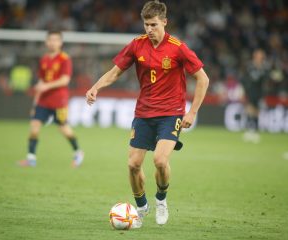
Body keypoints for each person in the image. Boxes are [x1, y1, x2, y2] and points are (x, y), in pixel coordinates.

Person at [86, 0, 209, 227]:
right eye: (146, 25)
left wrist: (192, 112)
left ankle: (161, 199)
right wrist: (96, 87)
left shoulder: (178, 48)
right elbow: (115, 73)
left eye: (153, 24)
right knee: (133, 164)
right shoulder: (136, 45)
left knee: (160, 160)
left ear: (164, 22)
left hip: (171, 113)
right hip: (143, 113)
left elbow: (203, 78)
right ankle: (141, 206)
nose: (149, 29)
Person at [19, 30, 84, 168]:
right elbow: (41, 83)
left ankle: (78, 152)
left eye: (56, 40)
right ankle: (31, 158)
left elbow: (65, 80)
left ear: (60, 42)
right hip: (43, 101)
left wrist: (46, 86)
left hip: (59, 101)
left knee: (64, 129)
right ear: (46, 42)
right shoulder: (44, 59)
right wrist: (35, 103)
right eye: (50, 40)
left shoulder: (65, 59)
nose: (53, 43)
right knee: (34, 128)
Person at [242, 49, 269, 143]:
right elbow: (244, 78)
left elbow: (266, 79)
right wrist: (245, 89)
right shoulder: (250, 66)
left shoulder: (264, 67)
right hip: (250, 91)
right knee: (250, 109)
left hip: (259, 92)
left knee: (256, 111)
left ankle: (256, 131)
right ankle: (249, 130)